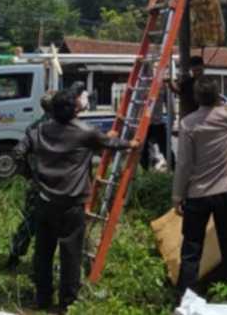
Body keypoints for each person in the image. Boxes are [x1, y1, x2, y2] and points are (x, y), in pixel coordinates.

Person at [13, 89, 138, 312]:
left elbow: (18, 152)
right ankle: (67, 304)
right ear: (74, 109)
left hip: (44, 201)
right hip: (71, 204)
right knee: (70, 255)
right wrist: (132, 144)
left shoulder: (39, 130)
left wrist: (31, 176)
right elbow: (112, 144)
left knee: (43, 253)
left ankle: (42, 300)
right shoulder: (84, 131)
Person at [172, 52, 227, 295]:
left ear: (196, 97)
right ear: (217, 96)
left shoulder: (188, 125)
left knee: (192, 248)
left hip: (197, 196)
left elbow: (184, 165)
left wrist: (177, 196)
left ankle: (186, 298)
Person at [7, 91, 55, 269]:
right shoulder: (63, 127)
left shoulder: (34, 127)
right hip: (60, 187)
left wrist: (28, 173)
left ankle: (14, 256)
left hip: (37, 184)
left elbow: (17, 152)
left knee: (29, 222)